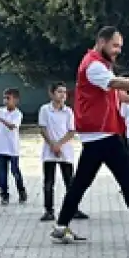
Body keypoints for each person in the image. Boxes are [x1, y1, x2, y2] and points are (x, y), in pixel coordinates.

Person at [50, 26, 129, 244]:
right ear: (102, 41)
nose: (118, 50)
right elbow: (114, 83)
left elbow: (113, 92)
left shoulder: (100, 64)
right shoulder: (93, 64)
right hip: (101, 134)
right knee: (127, 178)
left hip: (99, 134)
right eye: (115, 45)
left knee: (83, 183)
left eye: (120, 47)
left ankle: (61, 226)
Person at [38, 82, 89, 221]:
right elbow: (42, 129)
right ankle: (49, 210)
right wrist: (52, 144)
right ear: (52, 93)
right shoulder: (45, 109)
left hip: (65, 151)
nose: (62, 95)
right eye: (59, 91)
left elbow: (71, 131)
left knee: (70, 182)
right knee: (49, 182)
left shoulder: (68, 111)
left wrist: (59, 144)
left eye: (64, 92)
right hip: (49, 151)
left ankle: (73, 209)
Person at [0, 88, 27, 205]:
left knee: (15, 171)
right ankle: (4, 195)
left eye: (9, 98)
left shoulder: (18, 114)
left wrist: (1, 120)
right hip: (1, 148)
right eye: (4, 98)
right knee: (2, 173)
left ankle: (21, 191)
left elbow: (13, 126)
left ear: (16, 100)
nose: (6, 101)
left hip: (12, 148)